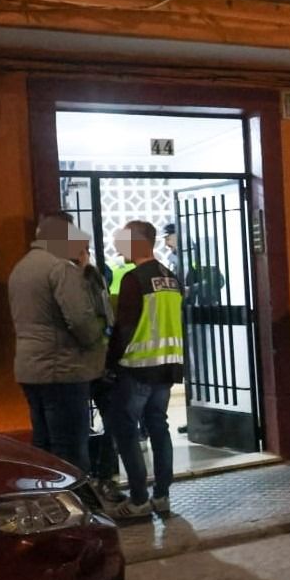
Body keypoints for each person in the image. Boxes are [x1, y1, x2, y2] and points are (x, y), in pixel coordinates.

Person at [7, 212, 103, 473]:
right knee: (70, 450)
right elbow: (81, 320)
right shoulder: (60, 268)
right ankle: (78, 507)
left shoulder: (21, 267)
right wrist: (97, 339)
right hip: (62, 369)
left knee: (43, 444)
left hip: (30, 368)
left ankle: (47, 507)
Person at [106, 220, 185, 519]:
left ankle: (138, 500)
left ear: (138, 243)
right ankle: (162, 497)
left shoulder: (134, 279)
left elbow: (124, 327)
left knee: (126, 432)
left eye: (123, 241)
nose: (118, 247)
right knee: (159, 429)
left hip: (137, 368)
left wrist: (109, 364)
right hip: (166, 368)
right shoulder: (170, 276)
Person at [74, 239, 125, 504]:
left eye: (83, 250)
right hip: (76, 366)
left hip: (100, 363)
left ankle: (107, 479)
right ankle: (83, 485)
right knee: (78, 427)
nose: (81, 256)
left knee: (112, 423)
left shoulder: (96, 278)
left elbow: (107, 318)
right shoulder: (62, 280)